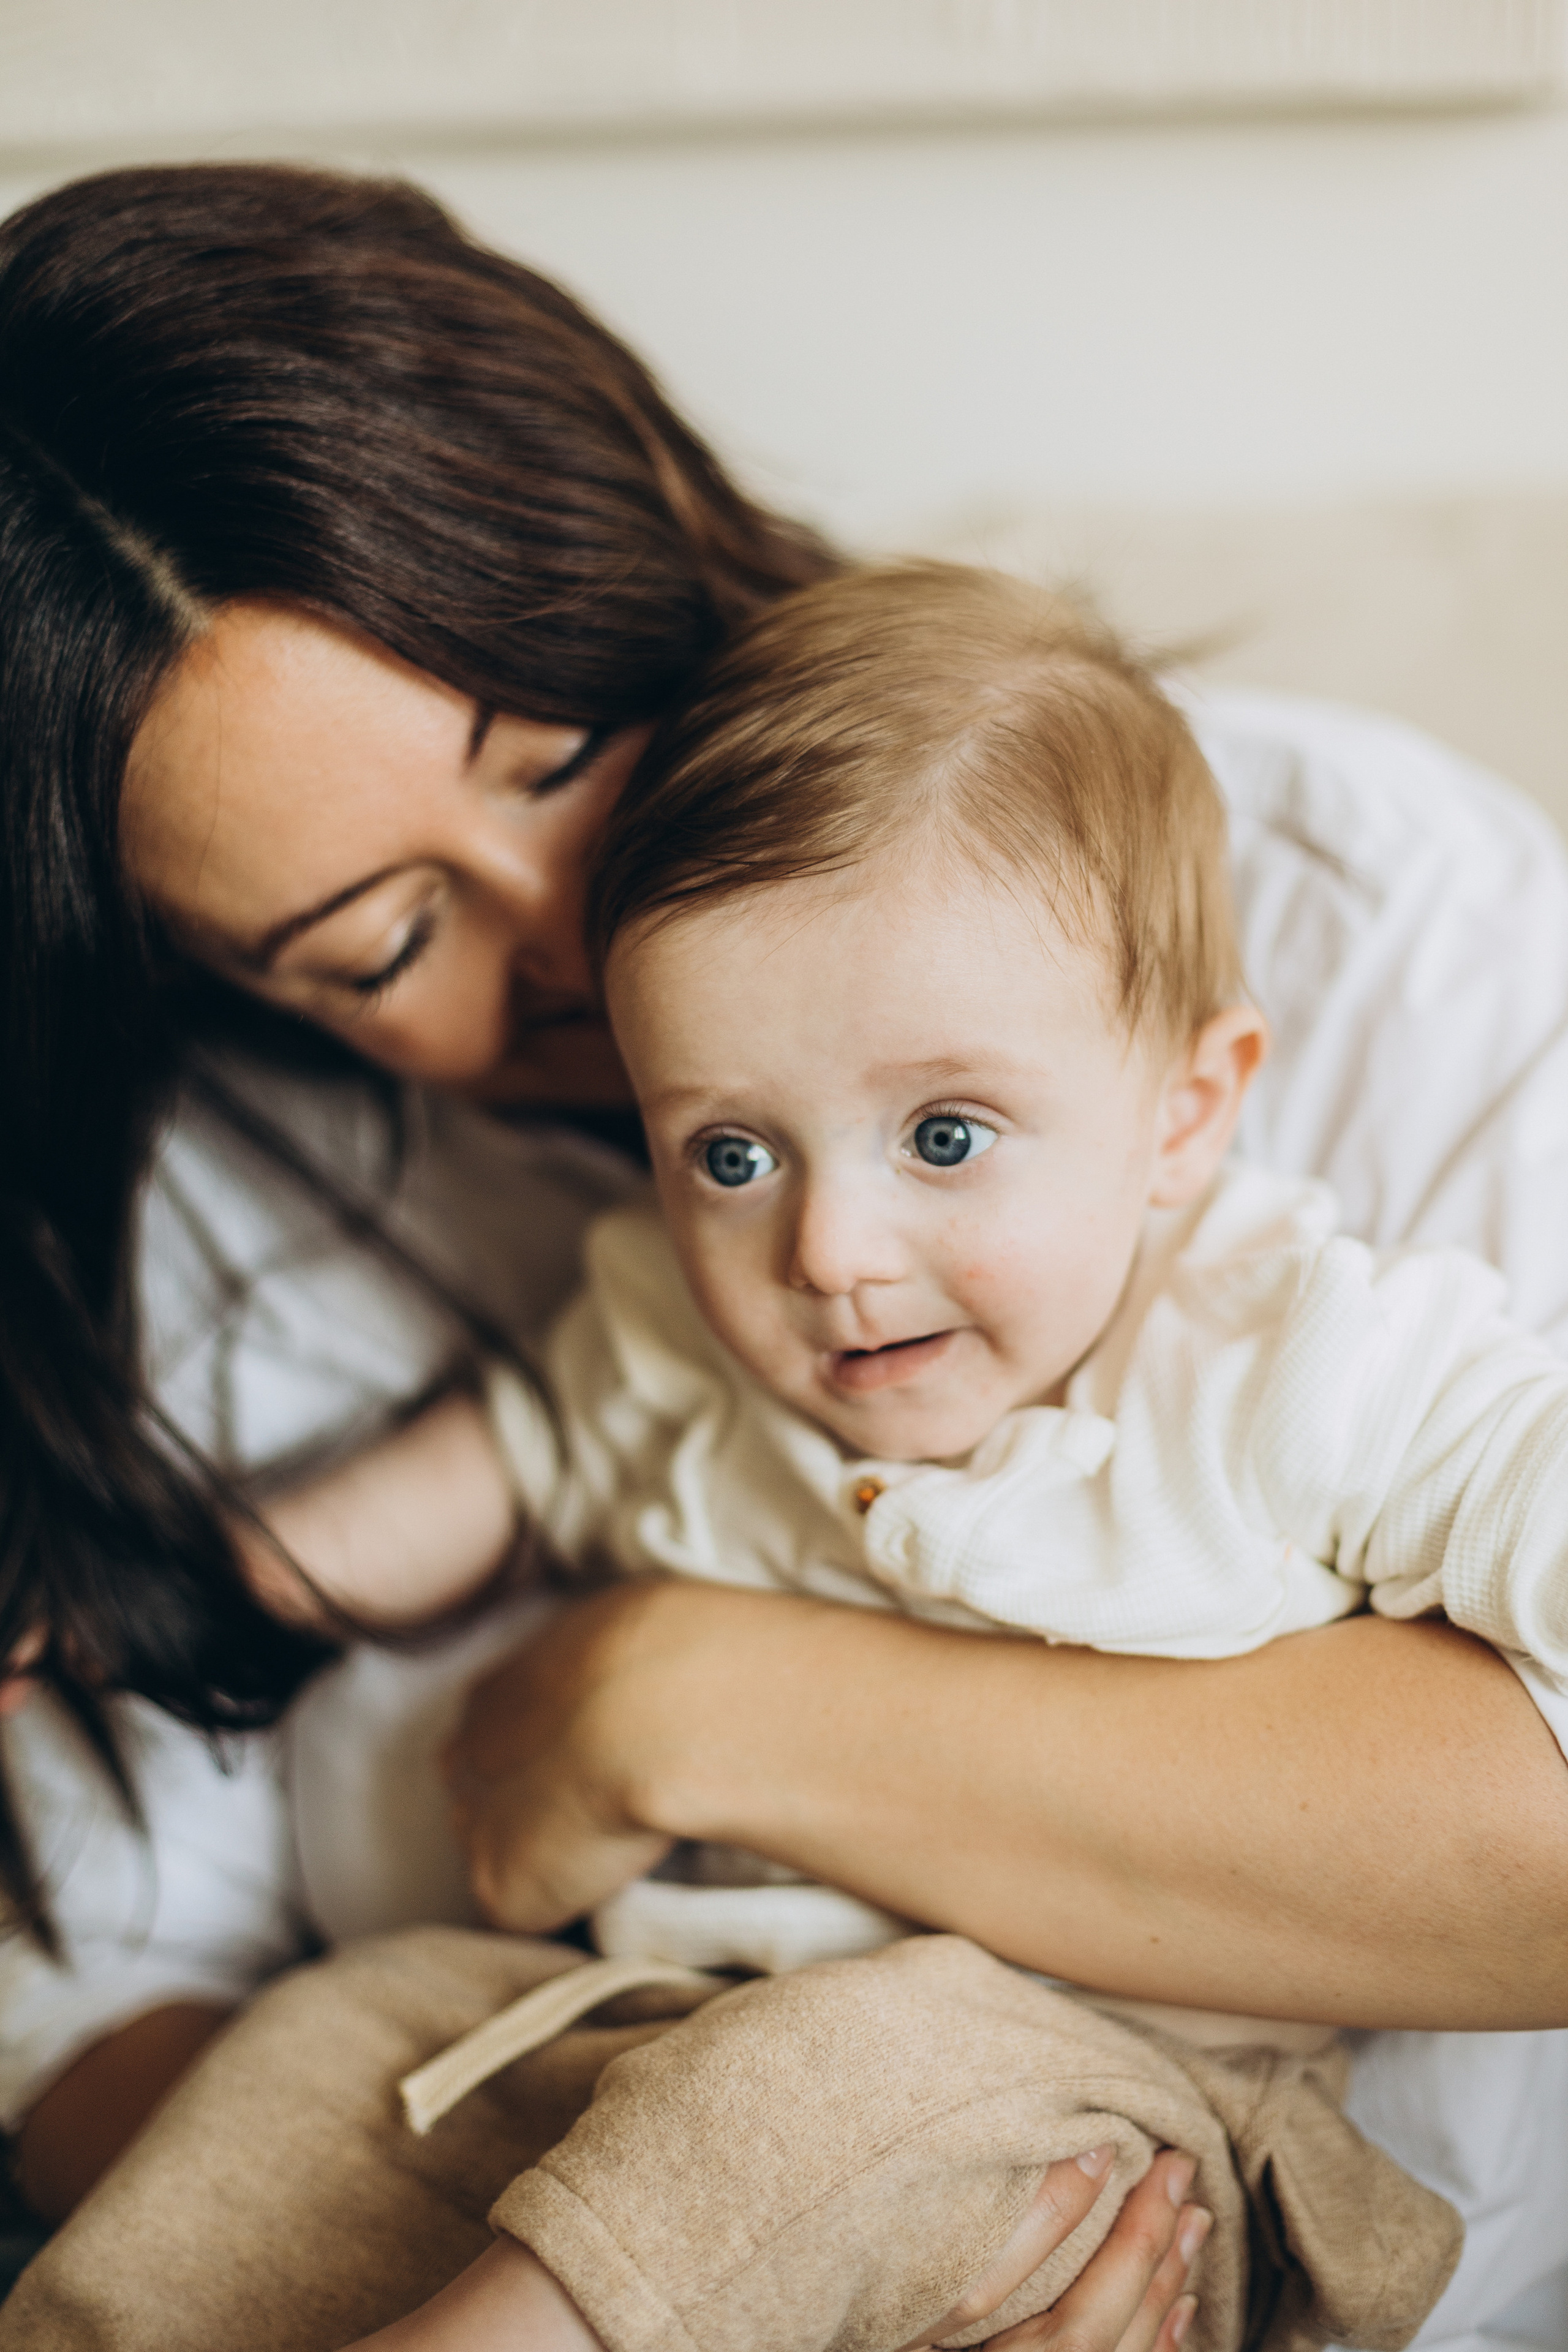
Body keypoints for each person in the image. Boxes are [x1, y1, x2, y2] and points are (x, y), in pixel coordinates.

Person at [0, 160, 1566, 2351]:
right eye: (381, 944)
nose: (569, 930)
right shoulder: (393, 1244)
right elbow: (101, 2006)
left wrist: (678, 1702)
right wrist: (198, 1577)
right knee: (322, 2070)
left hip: (1059, 2105)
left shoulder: (1325, 1043)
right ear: (228, 994)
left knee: (848, 2111)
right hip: (593, 2038)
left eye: (558, 757)